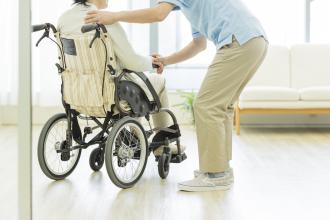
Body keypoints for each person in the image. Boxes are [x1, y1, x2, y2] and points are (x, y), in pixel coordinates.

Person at [85, 0, 268, 192]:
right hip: (253, 41)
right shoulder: (192, 7)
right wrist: (166, 60)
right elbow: (199, 45)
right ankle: (222, 170)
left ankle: (215, 174)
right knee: (222, 107)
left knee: (206, 105)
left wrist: (115, 16)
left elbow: (158, 15)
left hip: (239, 41)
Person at [58, 0, 185, 156]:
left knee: (131, 82)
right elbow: (131, 61)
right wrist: (153, 62)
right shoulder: (104, 19)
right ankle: (160, 147)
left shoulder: (63, 19)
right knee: (157, 81)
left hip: (77, 94)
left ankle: (136, 137)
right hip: (110, 95)